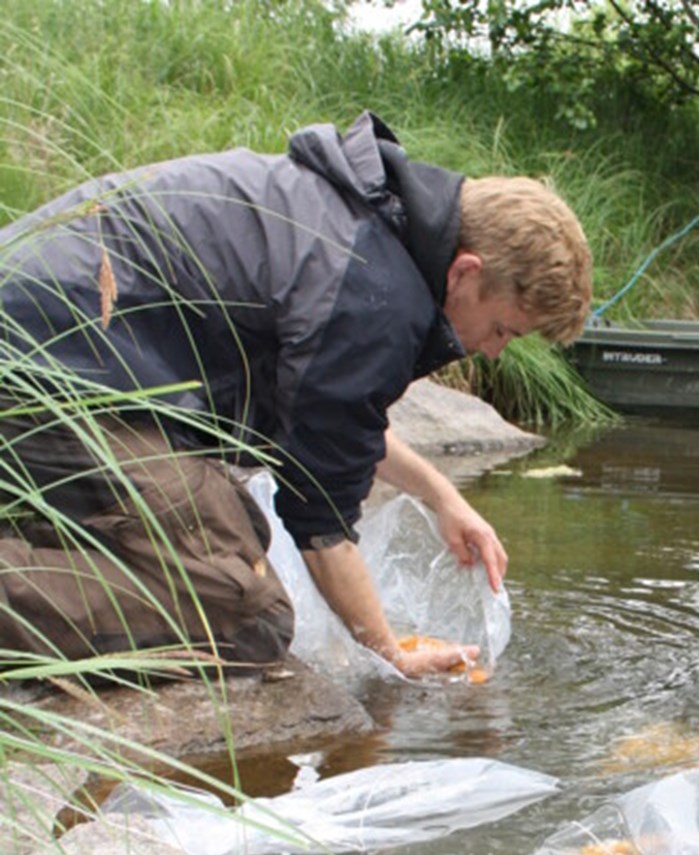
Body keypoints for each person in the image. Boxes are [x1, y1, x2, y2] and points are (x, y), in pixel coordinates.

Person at [0, 110, 593, 678]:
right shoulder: (371, 294)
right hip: (46, 379)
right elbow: (320, 520)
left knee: (242, 540)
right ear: (465, 272)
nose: (492, 351)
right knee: (249, 617)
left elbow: (329, 417)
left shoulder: (371, 232)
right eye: (503, 330)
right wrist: (390, 654)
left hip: (77, 364)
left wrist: (442, 496)